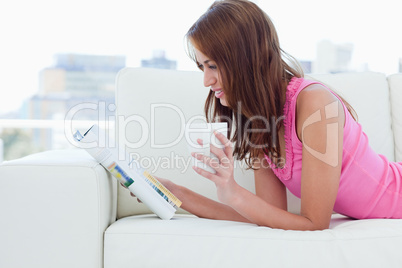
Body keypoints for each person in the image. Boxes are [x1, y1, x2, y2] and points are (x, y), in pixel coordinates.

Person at [142, 0, 402, 230]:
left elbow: (314, 223)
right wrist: (174, 193)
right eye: (201, 67)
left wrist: (232, 192)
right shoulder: (258, 121)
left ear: (245, 59)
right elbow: (268, 215)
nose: (206, 80)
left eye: (213, 65)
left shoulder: (316, 105)